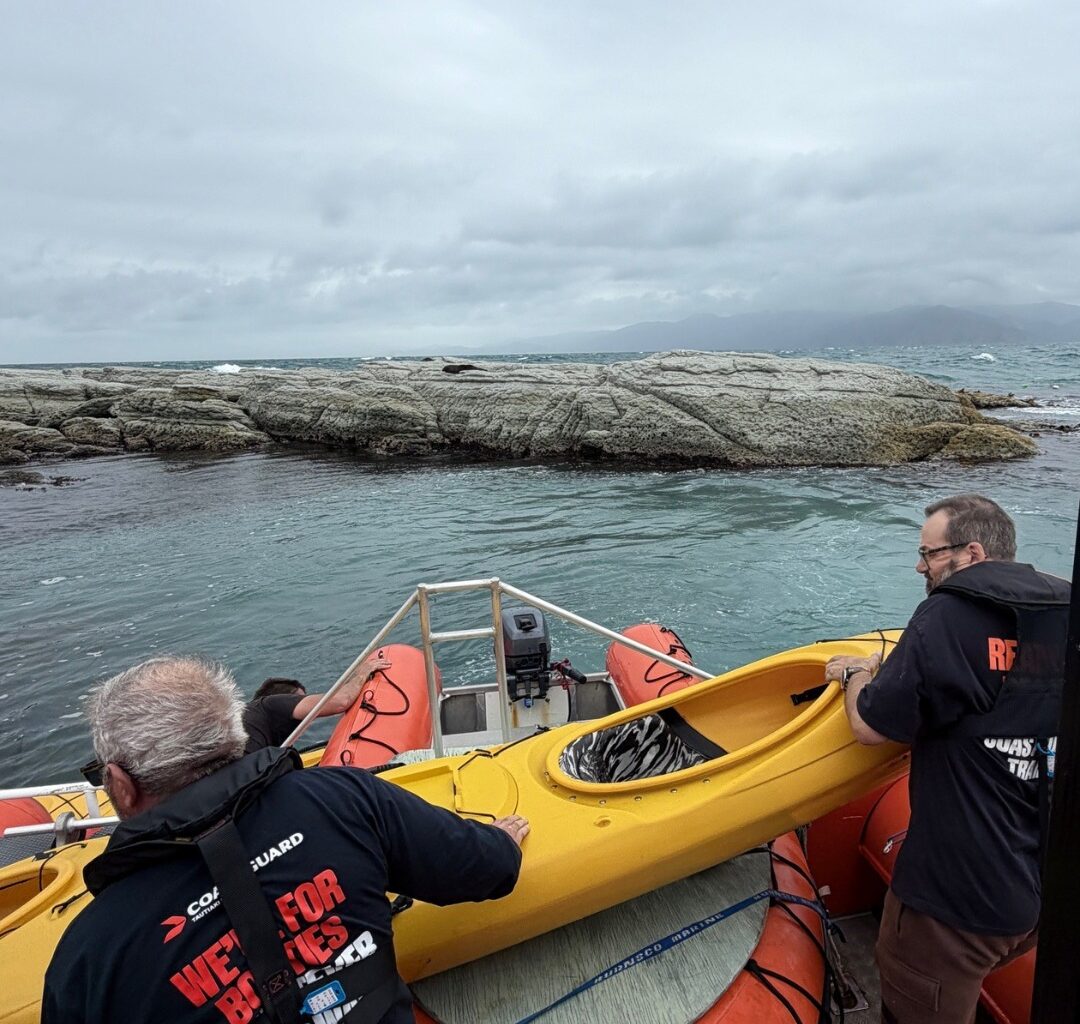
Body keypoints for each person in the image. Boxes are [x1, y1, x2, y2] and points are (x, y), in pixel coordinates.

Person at [43, 656, 529, 1024]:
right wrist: (501, 840)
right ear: (235, 734)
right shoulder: (345, 799)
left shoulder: (87, 959)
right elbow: (487, 868)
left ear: (119, 785)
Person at [825, 494, 1069, 1024]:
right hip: (1037, 889)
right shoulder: (1064, 607)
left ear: (972, 552)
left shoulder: (948, 613)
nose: (920, 566)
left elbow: (870, 725)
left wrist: (857, 673)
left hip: (956, 903)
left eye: (929, 553)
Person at [242, 652, 391, 752]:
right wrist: (362, 673)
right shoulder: (270, 705)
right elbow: (341, 701)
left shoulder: (267, 740)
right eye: (300, 700)